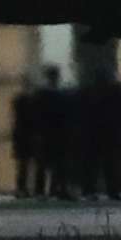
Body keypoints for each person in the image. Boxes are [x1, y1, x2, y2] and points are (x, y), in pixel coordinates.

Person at [29, 67, 72, 199]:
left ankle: (41, 191)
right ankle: (58, 189)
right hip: (56, 133)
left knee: (44, 164)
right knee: (58, 163)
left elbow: (35, 115)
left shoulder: (41, 94)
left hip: (45, 132)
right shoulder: (60, 94)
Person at [11, 78, 40, 198]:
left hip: (21, 136)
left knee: (23, 164)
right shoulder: (32, 101)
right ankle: (24, 188)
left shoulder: (18, 101)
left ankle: (21, 188)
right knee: (26, 164)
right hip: (28, 136)